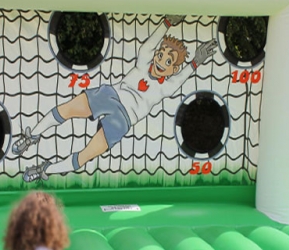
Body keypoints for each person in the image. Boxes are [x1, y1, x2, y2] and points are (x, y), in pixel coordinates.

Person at [12, 15, 217, 181]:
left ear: (174, 69)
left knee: (86, 154)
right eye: (161, 54)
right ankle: (32, 136)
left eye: (168, 60)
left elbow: (182, 77)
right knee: (67, 109)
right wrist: (167, 23)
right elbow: (149, 45)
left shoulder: (166, 86)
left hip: (123, 120)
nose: (161, 60)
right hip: (111, 95)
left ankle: (44, 169)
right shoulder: (144, 62)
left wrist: (195, 63)